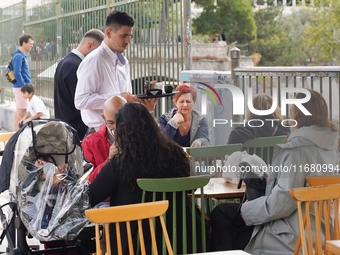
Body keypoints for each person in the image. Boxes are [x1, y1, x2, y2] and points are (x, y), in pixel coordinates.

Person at [210, 89, 339, 254]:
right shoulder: (332, 147)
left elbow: (281, 203)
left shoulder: (297, 149)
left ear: (297, 115)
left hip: (295, 237)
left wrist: (246, 210)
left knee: (223, 215)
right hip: (326, 231)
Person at [89, 102, 190, 254]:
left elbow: (90, 197)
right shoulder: (177, 156)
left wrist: (109, 161)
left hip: (134, 247)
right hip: (179, 241)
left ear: (122, 133)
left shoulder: (120, 164)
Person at [75, 11, 143, 130]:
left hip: (122, 130)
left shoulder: (123, 62)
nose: (128, 41)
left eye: (130, 36)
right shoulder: (94, 60)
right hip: (100, 132)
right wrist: (118, 97)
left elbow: (125, 98)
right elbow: (81, 101)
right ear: (108, 33)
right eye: (124, 36)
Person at [54, 29, 105, 140]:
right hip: (75, 131)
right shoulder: (77, 66)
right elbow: (82, 102)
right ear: (90, 45)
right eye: (99, 52)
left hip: (65, 127)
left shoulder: (65, 62)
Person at [82, 96, 126, 183]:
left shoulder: (138, 137)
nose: (116, 127)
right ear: (103, 118)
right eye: (111, 123)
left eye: (121, 121)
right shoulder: (90, 142)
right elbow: (87, 180)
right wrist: (108, 161)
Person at [12, 34, 34, 131]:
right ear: (24, 43)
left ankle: (17, 133)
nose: (31, 45)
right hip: (20, 88)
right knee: (21, 110)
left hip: (22, 87)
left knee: (22, 109)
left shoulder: (22, 55)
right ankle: (16, 134)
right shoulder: (18, 56)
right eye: (30, 43)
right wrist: (24, 87)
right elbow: (17, 72)